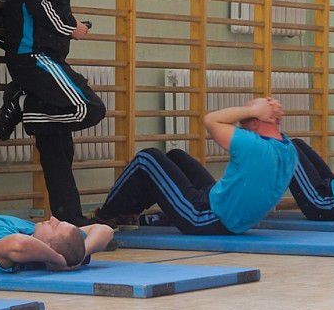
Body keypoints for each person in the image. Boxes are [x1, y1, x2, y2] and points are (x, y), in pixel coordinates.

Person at [0, 0, 113, 226]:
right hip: (35, 57)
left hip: (44, 59)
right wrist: (72, 28)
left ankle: (69, 220)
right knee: (90, 108)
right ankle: (25, 105)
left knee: (57, 144)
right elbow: (43, 4)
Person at [93, 98, 297, 235]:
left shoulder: (253, 146)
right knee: (176, 156)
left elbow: (211, 120)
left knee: (148, 158)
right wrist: (260, 111)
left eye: (249, 107)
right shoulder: (288, 149)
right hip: (222, 206)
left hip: (203, 217)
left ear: (255, 122)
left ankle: (105, 217)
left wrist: (253, 110)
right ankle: (128, 213)